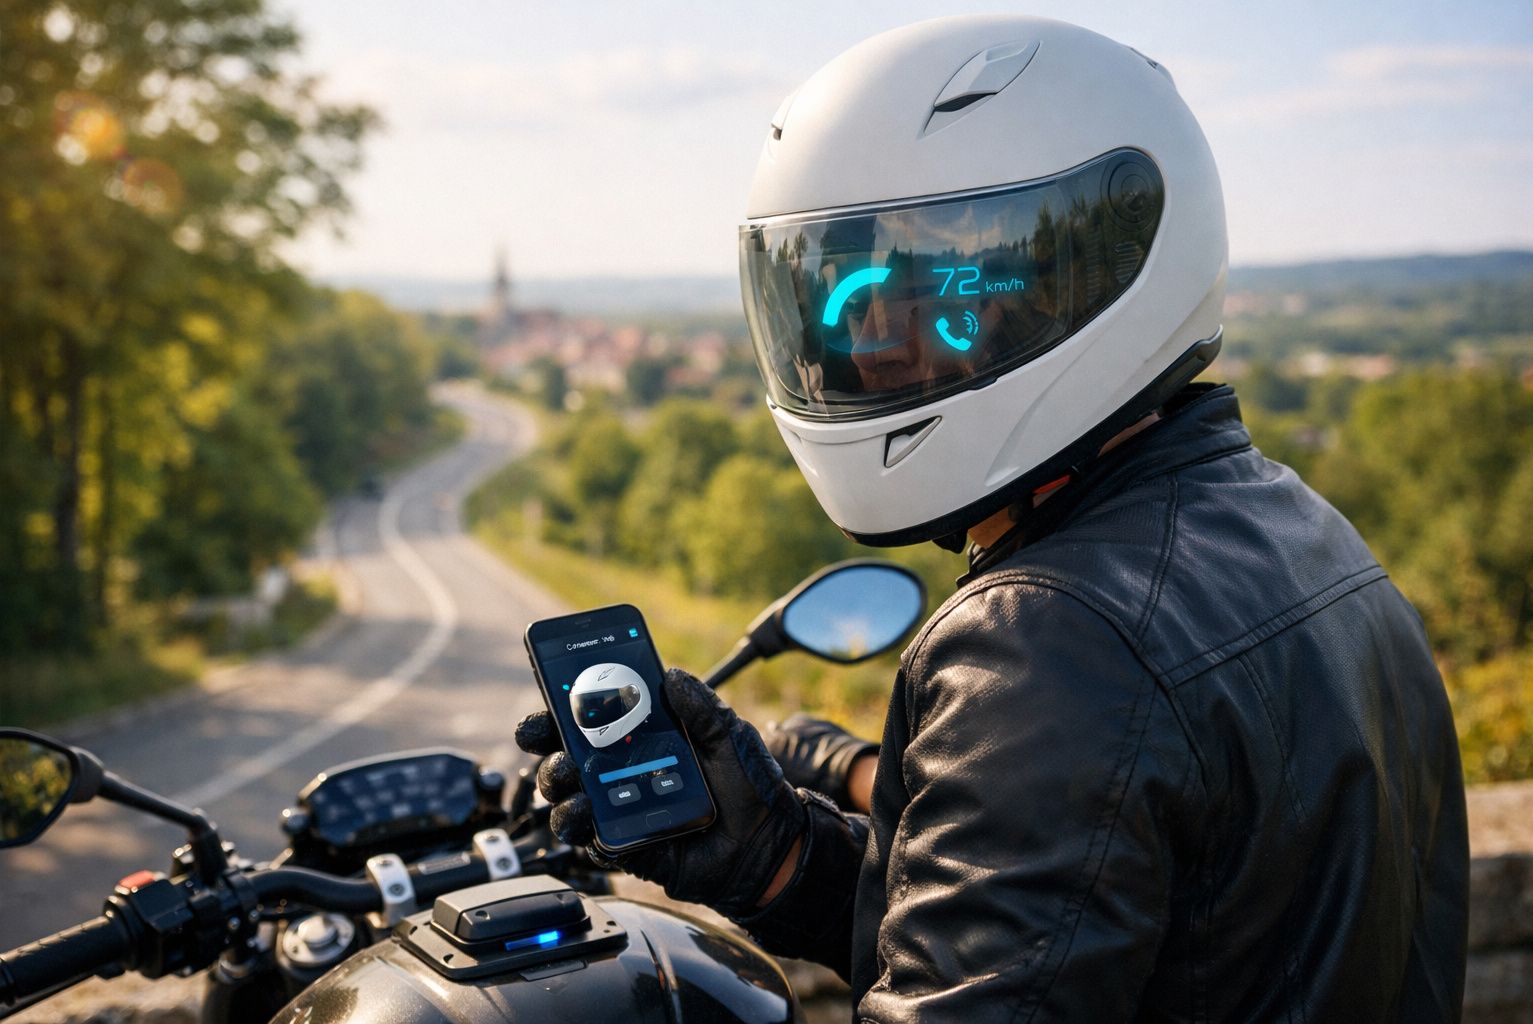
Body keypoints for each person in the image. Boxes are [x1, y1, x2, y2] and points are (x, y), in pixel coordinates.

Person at [517, 15, 1469, 1021]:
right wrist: (776, 856)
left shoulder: (1050, 645)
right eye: (831, 297)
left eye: (937, 295)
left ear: (1080, 281)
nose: (853, 354)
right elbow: (1071, 942)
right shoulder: (1305, 531)